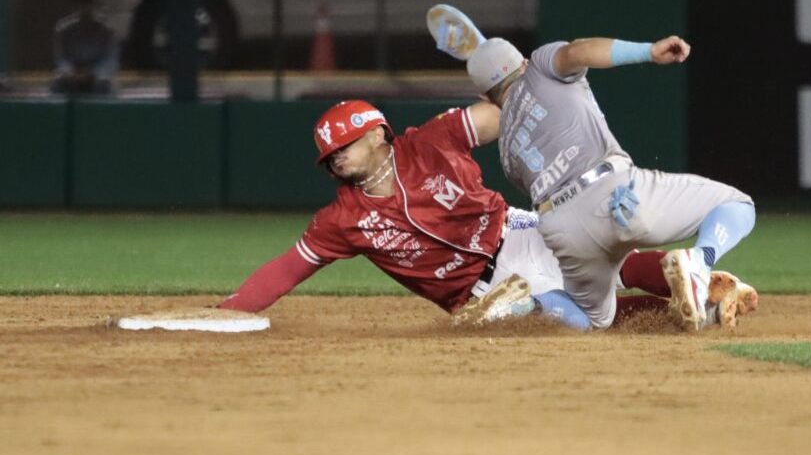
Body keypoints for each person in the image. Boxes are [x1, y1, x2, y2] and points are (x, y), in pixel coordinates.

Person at [219, 98, 756, 331]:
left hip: (517, 230)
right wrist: (234, 308)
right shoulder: (341, 219)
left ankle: (696, 280)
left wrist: (513, 86)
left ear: (379, 134)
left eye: (345, 146)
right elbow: (290, 267)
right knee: (584, 321)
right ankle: (705, 295)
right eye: (329, 156)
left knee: (606, 261)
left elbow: (504, 114)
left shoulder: (430, 142)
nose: (335, 158)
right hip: (474, 291)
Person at [429, 4, 758, 331]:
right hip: (614, 196)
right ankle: (699, 265)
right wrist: (648, 51)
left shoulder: (506, 152)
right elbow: (581, 50)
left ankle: (527, 304)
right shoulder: (542, 66)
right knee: (737, 204)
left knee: (593, 318)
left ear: (486, 98)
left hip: (563, 228)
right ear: (524, 63)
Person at [51, 0, 118, 95]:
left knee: (105, 83)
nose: (83, 6)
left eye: (87, 1)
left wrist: (92, 74)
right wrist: (70, 73)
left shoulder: (107, 30)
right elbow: (60, 58)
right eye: (79, 2)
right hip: (72, 75)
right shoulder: (63, 29)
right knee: (57, 83)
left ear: (94, 4)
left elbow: (110, 60)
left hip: (96, 75)